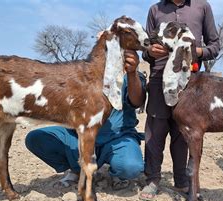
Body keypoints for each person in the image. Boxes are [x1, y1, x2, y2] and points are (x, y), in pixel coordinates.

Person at [25, 49, 147, 190]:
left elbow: (137, 101)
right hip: (80, 136)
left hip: (117, 138)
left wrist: (131, 74)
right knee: (35, 138)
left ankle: (117, 174)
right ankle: (75, 170)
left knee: (130, 167)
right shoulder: (83, 77)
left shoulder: (131, 77)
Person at [140, 0, 220, 201]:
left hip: (189, 82)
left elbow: (215, 46)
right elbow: (145, 48)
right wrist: (150, 52)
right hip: (159, 79)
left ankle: (182, 181)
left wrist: (194, 50)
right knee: (155, 131)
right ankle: (152, 179)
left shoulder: (202, 7)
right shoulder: (155, 10)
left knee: (183, 133)